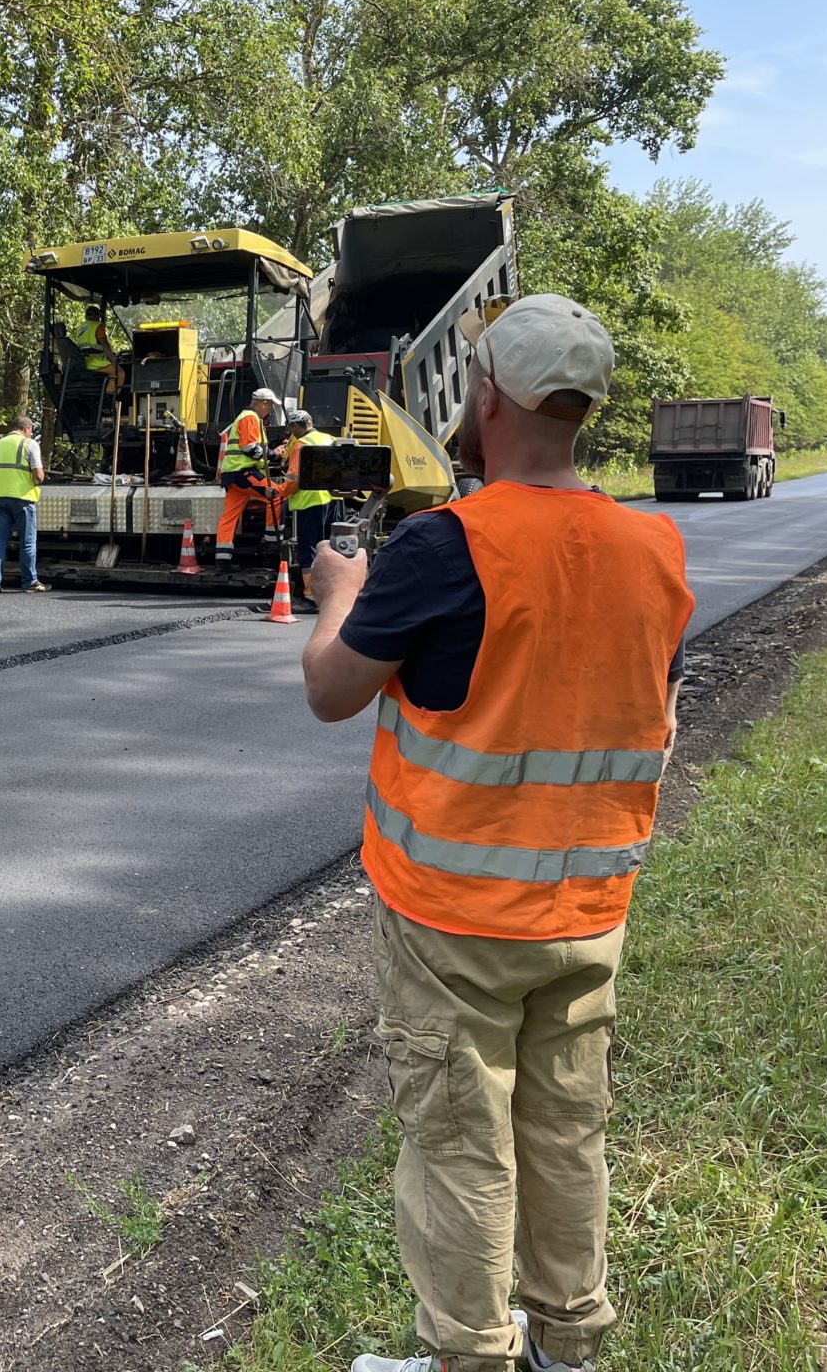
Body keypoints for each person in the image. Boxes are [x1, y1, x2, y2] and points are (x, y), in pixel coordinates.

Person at [299, 296, 694, 1372]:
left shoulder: (441, 546)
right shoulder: (652, 546)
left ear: (486, 398)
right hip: (587, 911)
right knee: (566, 1129)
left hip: (453, 918)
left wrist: (340, 594)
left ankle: (466, 1357)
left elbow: (332, 692)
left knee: (457, 1142)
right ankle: (567, 1342)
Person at [275, 406, 337, 603]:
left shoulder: (302, 444)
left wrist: (277, 491)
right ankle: (329, 591)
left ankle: (310, 595)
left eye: (291, 428)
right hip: (332, 500)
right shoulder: (329, 439)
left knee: (309, 549)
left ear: (295, 426)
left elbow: (294, 479)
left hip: (310, 502)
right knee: (328, 548)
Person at [214, 387, 282, 567]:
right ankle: (271, 544)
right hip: (242, 472)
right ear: (263, 404)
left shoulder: (245, 417)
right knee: (275, 496)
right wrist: (273, 454)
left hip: (233, 474)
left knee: (229, 516)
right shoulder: (251, 418)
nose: (270, 410)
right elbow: (250, 448)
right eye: (270, 406)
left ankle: (222, 559)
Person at [0, 414, 50, 593]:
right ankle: (30, 582)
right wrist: (35, 482)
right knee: (27, 542)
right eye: (31, 431)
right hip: (22, 498)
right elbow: (38, 475)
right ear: (27, 429)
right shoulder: (29, 444)